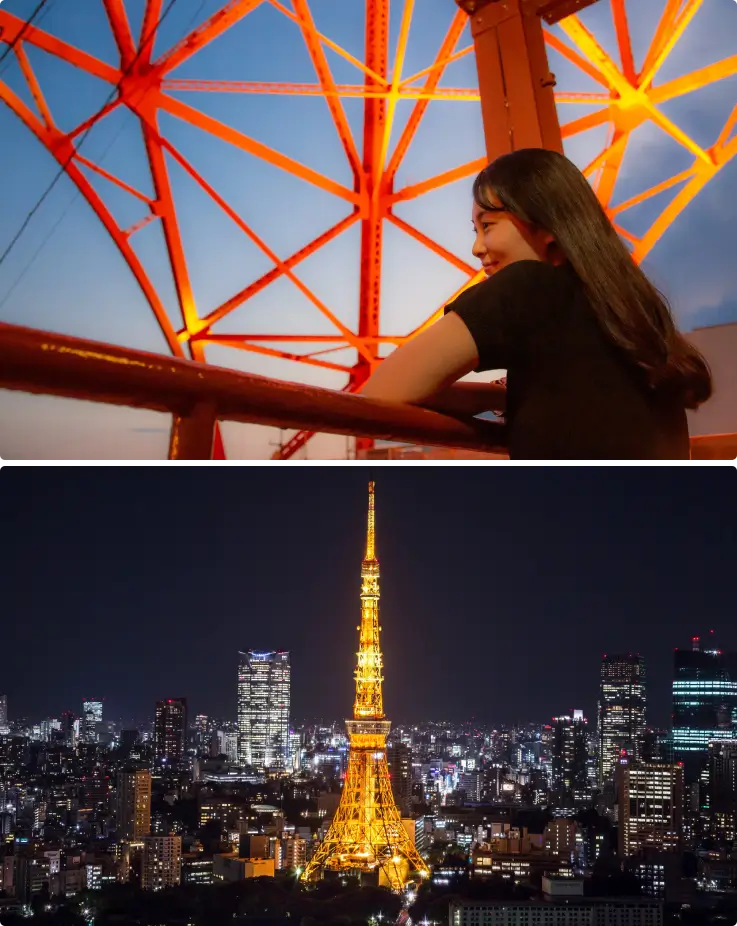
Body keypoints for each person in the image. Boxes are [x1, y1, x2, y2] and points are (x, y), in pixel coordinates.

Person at [361, 148, 713, 462]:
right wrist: (498, 398)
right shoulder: (635, 308)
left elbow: (378, 394)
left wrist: (492, 400)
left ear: (547, 228)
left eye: (488, 225)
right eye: (476, 231)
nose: (477, 248)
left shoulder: (528, 286)